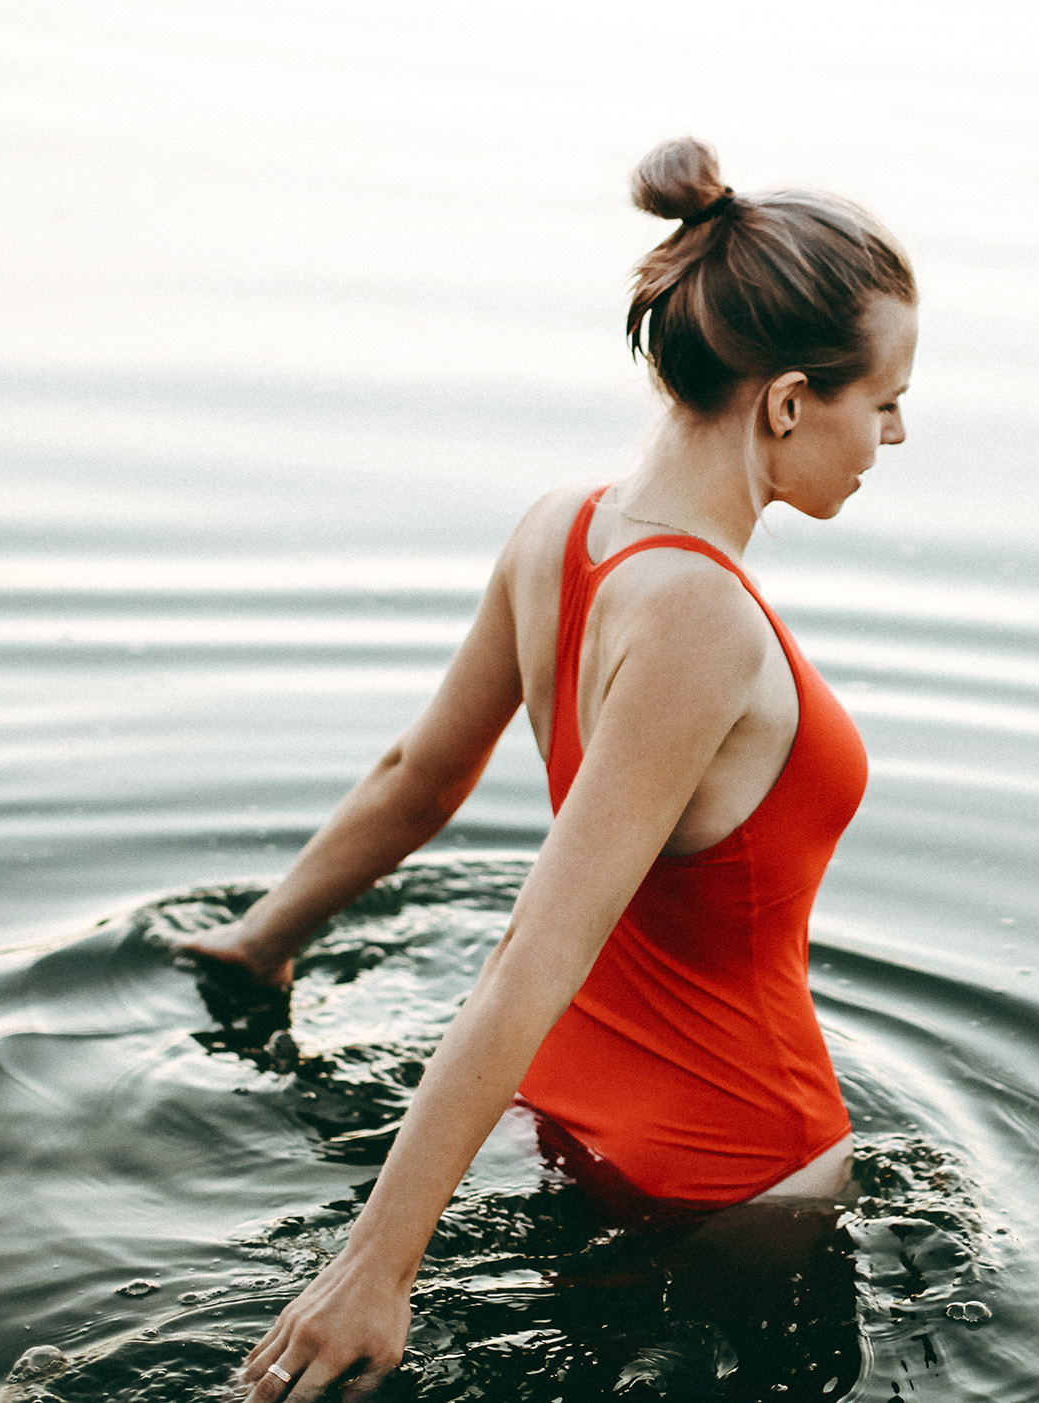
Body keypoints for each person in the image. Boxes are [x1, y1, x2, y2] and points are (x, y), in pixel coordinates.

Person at [180, 135, 918, 1403]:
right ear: (790, 401)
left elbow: (419, 776)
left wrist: (262, 940)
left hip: (572, 1124)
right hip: (737, 1176)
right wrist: (374, 1267)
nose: (896, 432)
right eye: (887, 399)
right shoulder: (700, 615)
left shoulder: (561, 529)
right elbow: (537, 943)